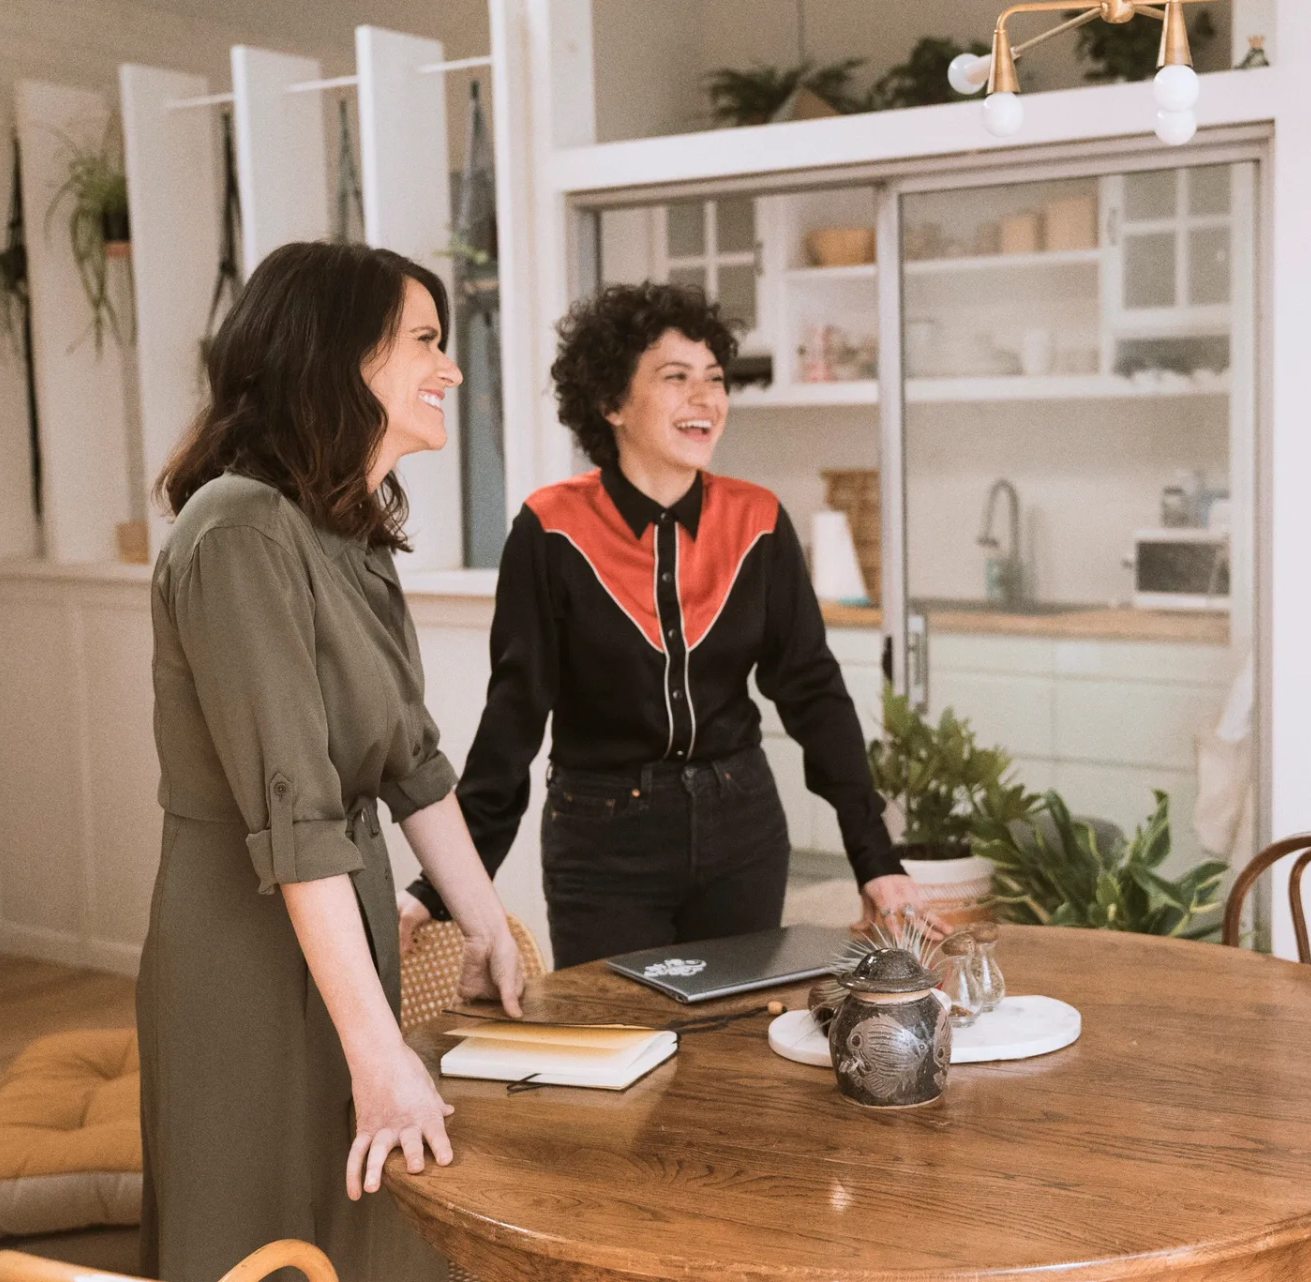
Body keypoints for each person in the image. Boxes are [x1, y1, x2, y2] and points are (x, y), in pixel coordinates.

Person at [142, 240, 525, 1282]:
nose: (450, 367)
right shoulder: (237, 533)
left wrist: (488, 928)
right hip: (246, 946)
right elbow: (297, 813)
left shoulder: (347, 533)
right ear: (337, 358)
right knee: (273, 1224)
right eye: (426, 342)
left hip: (344, 922)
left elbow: (412, 759)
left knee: (374, 1217)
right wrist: (378, 1051)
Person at [399, 282, 935, 968]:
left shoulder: (759, 521)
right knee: (618, 1046)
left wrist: (874, 857)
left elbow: (813, 692)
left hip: (741, 825)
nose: (705, 398)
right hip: (603, 839)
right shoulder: (551, 530)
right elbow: (513, 718)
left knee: (732, 1046)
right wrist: (439, 887)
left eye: (714, 379)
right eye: (675, 379)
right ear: (611, 402)